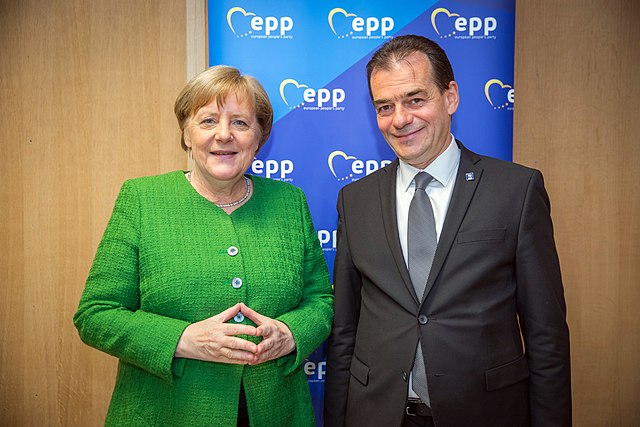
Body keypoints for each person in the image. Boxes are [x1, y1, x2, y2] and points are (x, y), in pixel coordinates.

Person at [324, 35, 571, 427]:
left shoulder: (516, 191)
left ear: (450, 96)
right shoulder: (355, 200)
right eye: (384, 106)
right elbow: (345, 334)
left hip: (486, 414)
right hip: (377, 414)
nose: (400, 119)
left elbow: (546, 337)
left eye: (415, 99)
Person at [74, 65, 334, 426]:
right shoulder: (142, 199)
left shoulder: (290, 202)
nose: (224, 135)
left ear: (259, 136)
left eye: (240, 123)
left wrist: (290, 334)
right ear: (186, 134)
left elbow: (320, 301)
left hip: (277, 411)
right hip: (165, 413)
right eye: (208, 121)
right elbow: (95, 315)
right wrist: (184, 339)